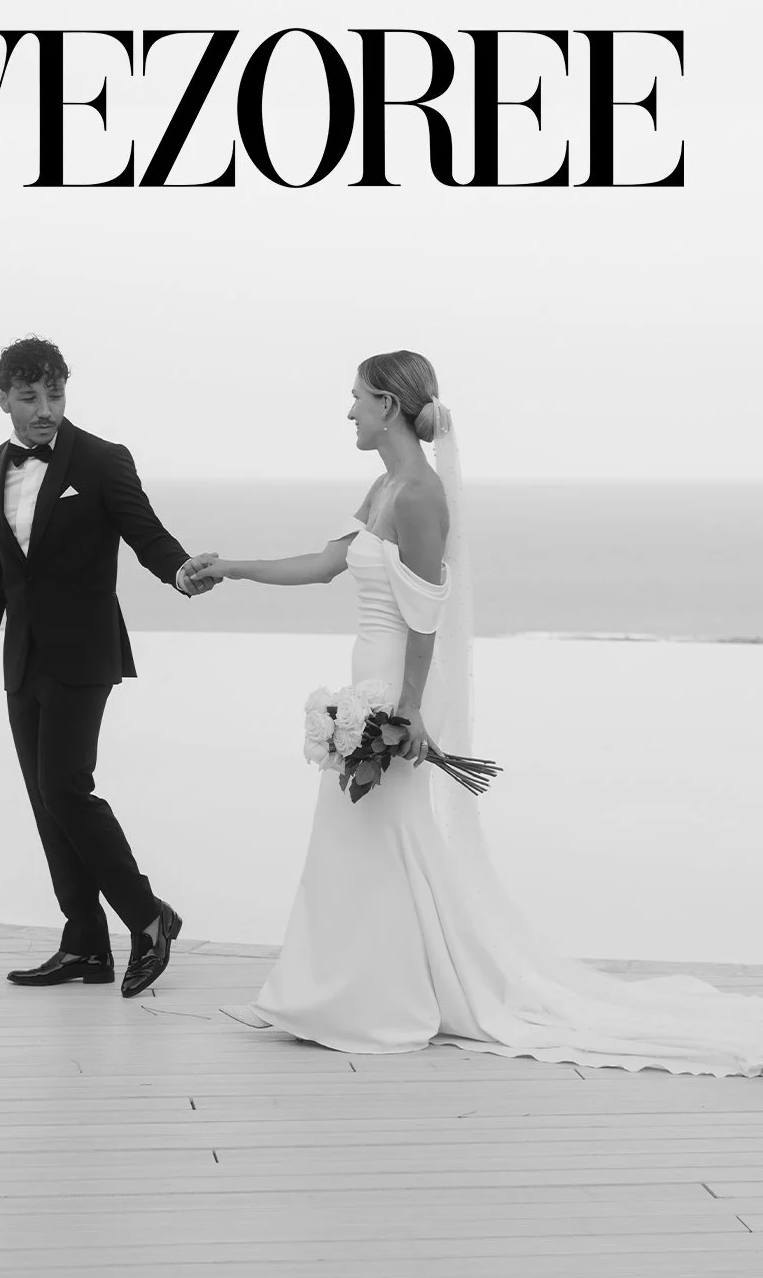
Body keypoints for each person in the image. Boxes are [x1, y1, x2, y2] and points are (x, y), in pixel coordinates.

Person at [190, 349, 763, 1075]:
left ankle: (382, 999)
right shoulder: (382, 485)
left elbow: (427, 610)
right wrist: (231, 565)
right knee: (359, 837)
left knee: (386, 835)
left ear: (388, 406)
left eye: (358, 398)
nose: (350, 411)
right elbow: (326, 562)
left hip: (391, 689)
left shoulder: (422, 495)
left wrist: (408, 709)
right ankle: (326, 992)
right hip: (363, 681)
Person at [0, 335, 219, 999]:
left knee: (66, 785)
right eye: (29, 396)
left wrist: (181, 572)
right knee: (47, 800)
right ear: (3, 399)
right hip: (22, 659)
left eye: (55, 394)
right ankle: (84, 944)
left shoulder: (100, 459)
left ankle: (149, 918)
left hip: (84, 651)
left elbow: (145, 531)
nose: (45, 410)